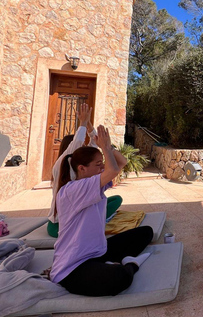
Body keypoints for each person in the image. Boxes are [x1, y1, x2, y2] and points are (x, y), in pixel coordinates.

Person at [50, 125, 153, 296]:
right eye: (98, 164)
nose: (102, 167)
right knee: (120, 278)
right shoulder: (72, 190)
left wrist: (109, 147)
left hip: (98, 252)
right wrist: (104, 147)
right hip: (73, 267)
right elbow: (113, 169)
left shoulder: (92, 184)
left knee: (145, 233)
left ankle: (113, 262)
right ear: (82, 168)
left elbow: (121, 163)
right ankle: (131, 264)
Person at [47, 103, 123, 237]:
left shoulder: (77, 166)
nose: (83, 146)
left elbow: (93, 145)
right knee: (100, 208)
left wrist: (89, 126)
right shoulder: (61, 165)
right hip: (59, 225)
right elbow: (77, 142)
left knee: (114, 200)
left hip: (72, 216)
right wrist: (82, 123)